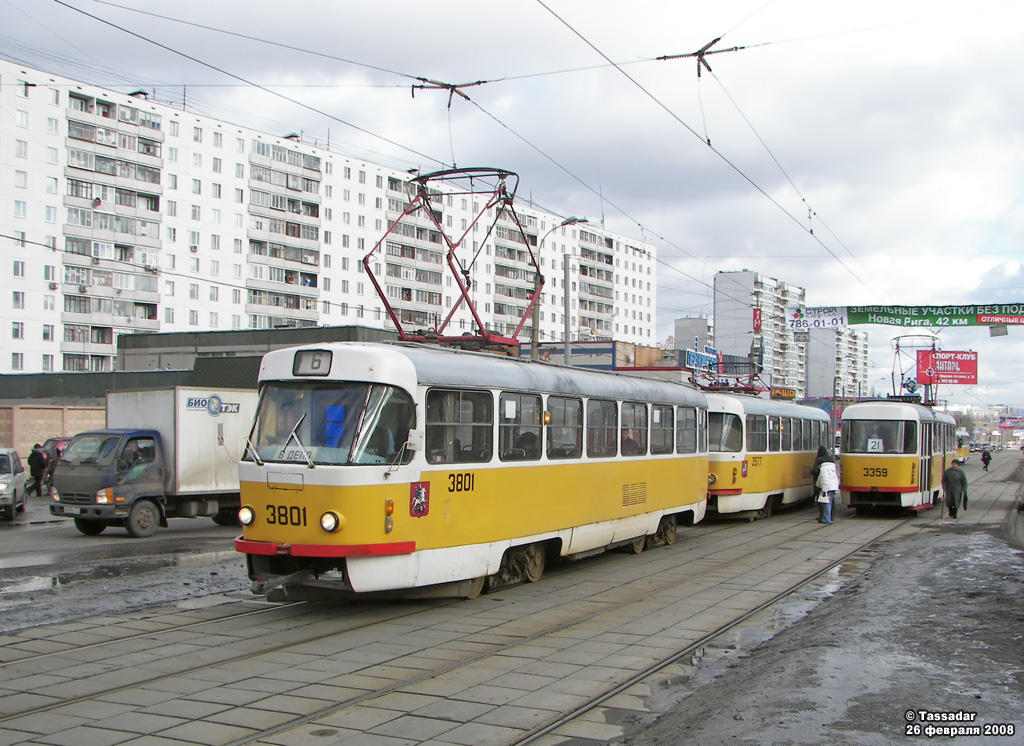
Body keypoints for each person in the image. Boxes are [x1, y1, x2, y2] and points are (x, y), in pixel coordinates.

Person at [815, 450, 839, 524]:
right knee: (830, 502)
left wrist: (824, 490)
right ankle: (827, 517)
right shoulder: (832, 467)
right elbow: (835, 478)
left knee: (826, 504)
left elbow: (824, 478)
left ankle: (826, 519)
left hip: (827, 488)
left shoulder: (823, 468)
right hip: (833, 487)